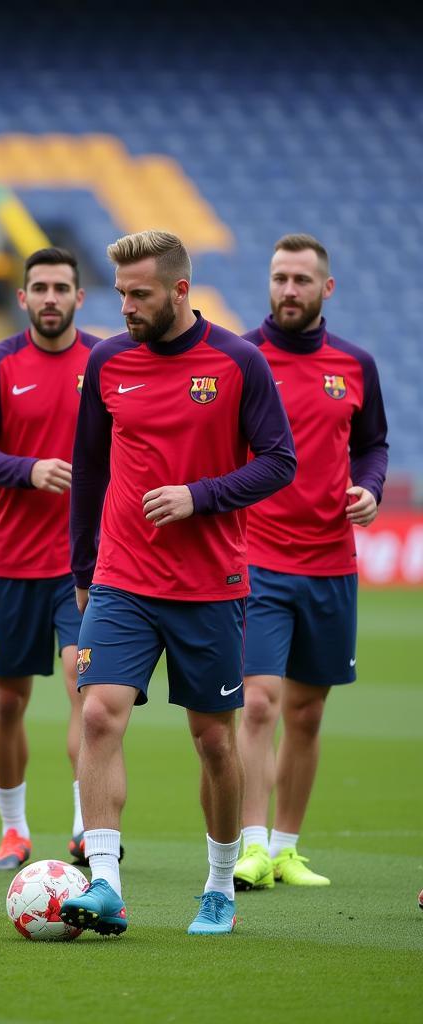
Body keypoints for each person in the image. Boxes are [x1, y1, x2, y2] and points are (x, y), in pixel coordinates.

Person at [61, 229, 296, 937]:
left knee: (213, 743)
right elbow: (90, 472)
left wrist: (201, 495)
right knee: (98, 712)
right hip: (122, 578)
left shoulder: (238, 362)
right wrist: (82, 568)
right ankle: (104, 882)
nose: (126, 306)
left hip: (210, 585)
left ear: (180, 290)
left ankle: (220, 884)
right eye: (121, 293)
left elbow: (280, 462)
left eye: (141, 294)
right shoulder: (106, 361)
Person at [233, 234, 388, 891]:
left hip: (330, 561)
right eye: (279, 278)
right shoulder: (240, 358)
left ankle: (287, 849)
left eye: (301, 279)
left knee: (307, 713)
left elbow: (373, 443)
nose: (288, 290)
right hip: (257, 557)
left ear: (327, 289)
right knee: (261, 702)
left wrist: (370, 488)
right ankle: (250, 845)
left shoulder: (355, 364)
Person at [0, 247, 100, 871]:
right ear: (22, 298)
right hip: (13, 561)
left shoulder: (104, 359)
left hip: (84, 566)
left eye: (60, 287)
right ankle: (14, 832)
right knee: (8, 702)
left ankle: (83, 828)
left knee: (86, 693)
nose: (49, 297)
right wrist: (29, 469)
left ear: (78, 297)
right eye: (38, 287)